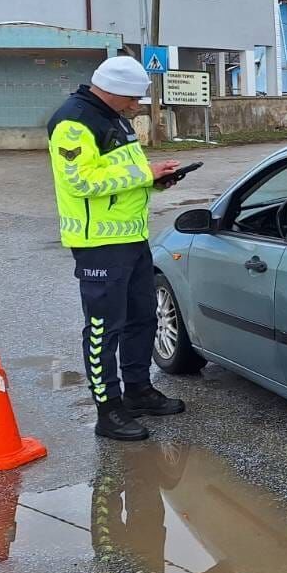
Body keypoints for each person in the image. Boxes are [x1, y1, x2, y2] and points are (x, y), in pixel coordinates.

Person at [47, 56, 187, 441]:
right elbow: (80, 181)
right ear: (113, 91)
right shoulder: (74, 122)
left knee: (142, 317)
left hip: (131, 237)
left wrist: (155, 182)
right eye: (133, 98)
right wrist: (146, 173)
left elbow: (116, 176)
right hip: (99, 244)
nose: (137, 106)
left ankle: (138, 390)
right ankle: (108, 411)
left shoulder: (114, 117)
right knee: (103, 329)